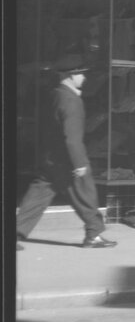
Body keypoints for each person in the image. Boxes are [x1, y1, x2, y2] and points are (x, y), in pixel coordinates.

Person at [16, 56, 117, 248]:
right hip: (67, 158)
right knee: (86, 193)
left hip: (50, 156)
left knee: (39, 193)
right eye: (80, 74)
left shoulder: (55, 94)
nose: (84, 78)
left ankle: (15, 232)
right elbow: (72, 138)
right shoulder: (71, 101)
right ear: (70, 76)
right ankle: (93, 235)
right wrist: (79, 164)